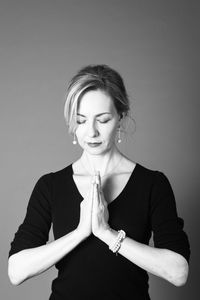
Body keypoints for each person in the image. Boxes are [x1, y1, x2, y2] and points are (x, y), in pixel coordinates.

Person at [8, 64, 190, 300]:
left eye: (102, 120)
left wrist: (106, 233)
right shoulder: (50, 186)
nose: (91, 132)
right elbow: (16, 271)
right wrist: (81, 232)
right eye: (81, 120)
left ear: (121, 119)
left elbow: (179, 273)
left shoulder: (152, 184)